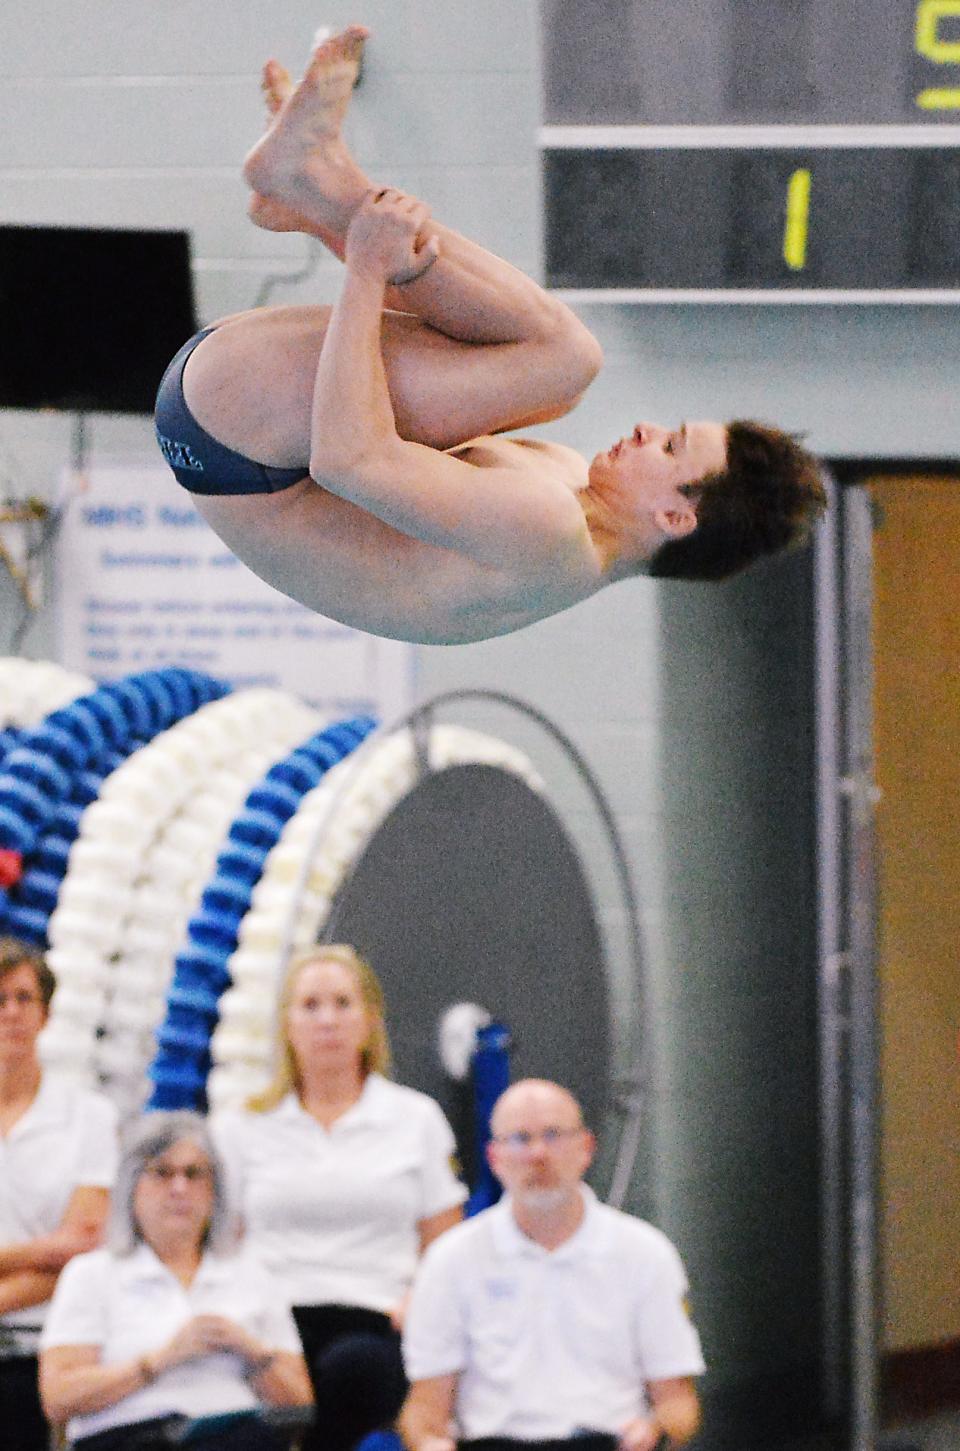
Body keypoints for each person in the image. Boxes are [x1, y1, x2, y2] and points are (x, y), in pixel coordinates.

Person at [154, 24, 827, 648]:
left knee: (566, 361)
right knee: (560, 370)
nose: (648, 429)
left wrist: (364, 263)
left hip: (235, 439)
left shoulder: (546, 533)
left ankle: (325, 186)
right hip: (248, 431)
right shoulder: (569, 492)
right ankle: (319, 194)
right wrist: (344, 240)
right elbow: (404, 388)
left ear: (677, 518)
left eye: (672, 446)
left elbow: (348, 459)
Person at [212, 943, 466, 1451]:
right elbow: (222, 1246)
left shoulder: (415, 1120)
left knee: (352, 1369)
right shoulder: (240, 1127)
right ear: (286, 1023)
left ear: (370, 1018)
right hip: (271, 1320)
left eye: (343, 1004)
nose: (327, 1020)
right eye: (310, 1006)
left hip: (377, 1317)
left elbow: (446, 1247)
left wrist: (421, 1300)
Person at [398, 1079, 705, 1451]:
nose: (538, 1154)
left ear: (586, 1148)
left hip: (605, 1442)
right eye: (520, 1139)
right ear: (494, 1158)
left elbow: (677, 1402)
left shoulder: (645, 1254)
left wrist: (654, 1430)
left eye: (554, 1135)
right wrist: (430, 1443)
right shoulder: (450, 1260)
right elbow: (426, 1408)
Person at [39, 1110, 312, 1451]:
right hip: (128, 1437)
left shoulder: (252, 1275)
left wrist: (251, 1351)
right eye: (162, 1173)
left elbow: (300, 1402)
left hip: (232, 1433)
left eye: (194, 1174)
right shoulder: (92, 1274)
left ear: (215, 1191)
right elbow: (59, 1399)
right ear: (131, 1186)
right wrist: (160, 1359)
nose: (179, 1188)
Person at [0, 937, 119, 1451]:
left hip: (41, 1344)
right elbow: (58, 1247)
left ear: (45, 1013)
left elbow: (81, 1247)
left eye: (23, 998)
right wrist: (40, 1250)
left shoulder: (89, 1117)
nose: (10, 1013)